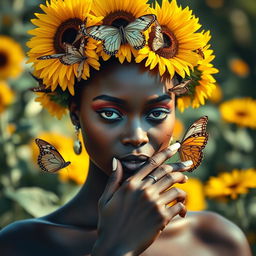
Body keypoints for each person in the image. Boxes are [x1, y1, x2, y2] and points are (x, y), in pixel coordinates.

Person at [0, 0, 252, 255]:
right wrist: (117, 249)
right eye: (110, 113)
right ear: (76, 115)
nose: (136, 136)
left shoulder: (216, 241)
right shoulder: (22, 245)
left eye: (157, 113)